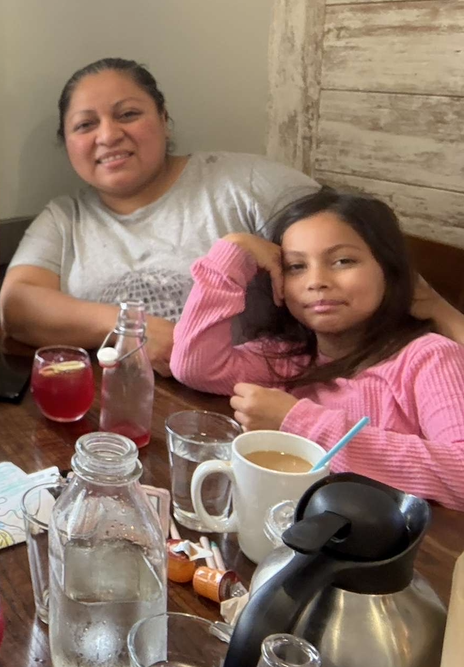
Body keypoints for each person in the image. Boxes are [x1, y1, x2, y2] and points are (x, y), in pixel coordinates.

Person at [0, 58, 318, 371]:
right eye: (85, 125)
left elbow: (342, 253)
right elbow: (16, 307)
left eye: (128, 114)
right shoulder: (64, 218)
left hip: (248, 396)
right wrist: (131, 326)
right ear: (66, 142)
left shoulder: (245, 184)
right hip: (117, 396)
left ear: (164, 119)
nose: (108, 135)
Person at [168, 188, 464, 511]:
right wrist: (233, 252)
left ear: (390, 271)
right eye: (296, 267)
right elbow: (193, 366)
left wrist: (297, 421)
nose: (317, 281)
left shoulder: (429, 358)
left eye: (343, 261)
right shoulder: (288, 359)